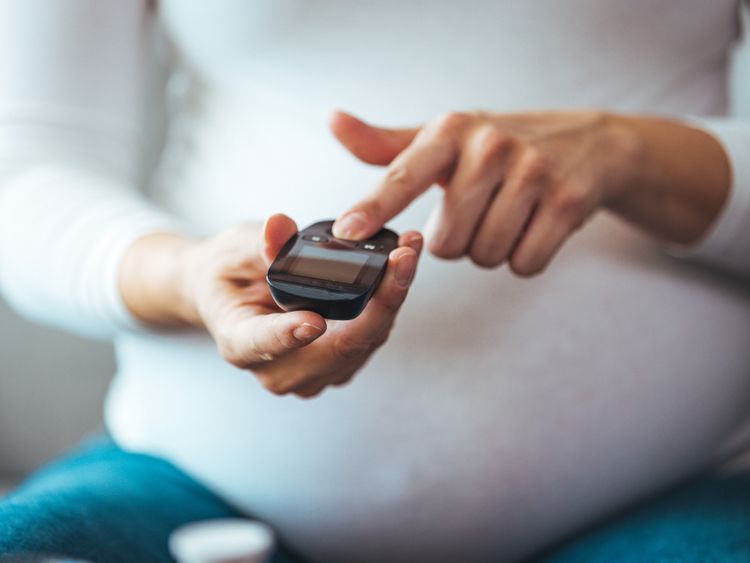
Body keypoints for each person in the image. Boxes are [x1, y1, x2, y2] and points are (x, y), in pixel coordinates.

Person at [0, 1, 749, 562]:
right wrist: (186, 275)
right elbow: (23, 178)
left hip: (672, 494)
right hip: (187, 486)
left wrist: (629, 152)